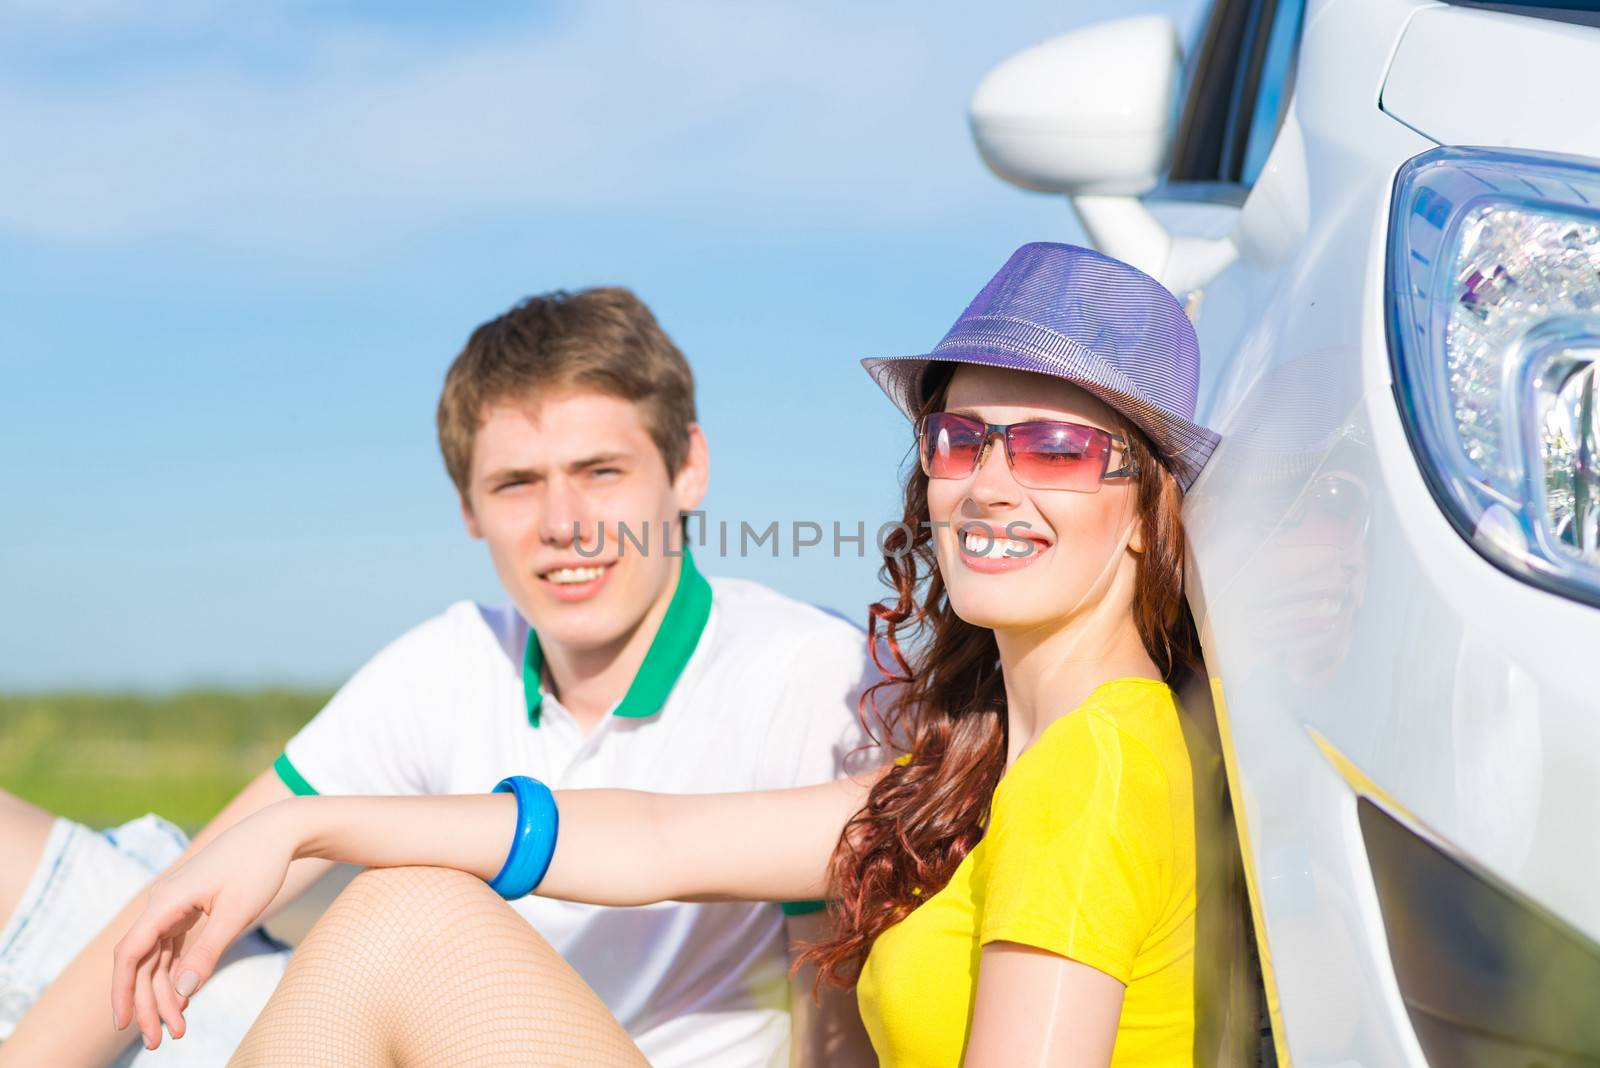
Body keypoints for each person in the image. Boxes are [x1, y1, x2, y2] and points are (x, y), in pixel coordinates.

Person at [111, 242, 1223, 1066]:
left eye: (1059, 448)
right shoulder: (972, 773)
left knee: (401, 924)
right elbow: (647, 837)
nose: (988, 481)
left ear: (1143, 510)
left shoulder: (1095, 768)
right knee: (397, 910)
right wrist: (303, 824)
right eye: (958, 437)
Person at [0, 287, 877, 1067]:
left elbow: (836, 1022)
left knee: (402, 909)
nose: (565, 524)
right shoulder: (454, 661)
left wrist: (311, 829)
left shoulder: (800, 669)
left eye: (601, 473)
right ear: (467, 507)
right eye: (517, 484)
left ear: (688, 468)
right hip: (400, 1036)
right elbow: (190, 893)